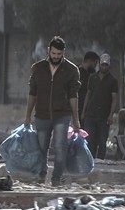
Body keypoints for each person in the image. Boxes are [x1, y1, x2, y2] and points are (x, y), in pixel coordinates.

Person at [23, 35, 81, 186]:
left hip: (62, 114)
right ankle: (41, 175)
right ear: (48, 51)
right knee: (41, 147)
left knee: (60, 146)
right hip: (41, 115)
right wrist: (28, 115)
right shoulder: (38, 68)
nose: (56, 57)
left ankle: (56, 179)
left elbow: (73, 96)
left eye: (59, 54)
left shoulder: (71, 70)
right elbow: (32, 94)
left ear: (63, 53)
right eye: (53, 53)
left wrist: (76, 119)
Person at [81, 53, 119, 159]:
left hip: (104, 115)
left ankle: (101, 162)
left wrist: (111, 115)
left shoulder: (112, 81)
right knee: (90, 140)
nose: (104, 67)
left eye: (106, 65)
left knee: (102, 141)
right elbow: (88, 95)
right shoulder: (92, 78)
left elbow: (114, 99)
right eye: (102, 65)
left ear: (109, 66)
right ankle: (91, 161)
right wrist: (84, 112)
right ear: (100, 65)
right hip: (91, 114)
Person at [77, 50, 99, 115]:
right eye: (95, 63)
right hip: (78, 104)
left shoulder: (92, 72)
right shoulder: (76, 71)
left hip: (89, 106)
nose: (95, 65)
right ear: (90, 61)